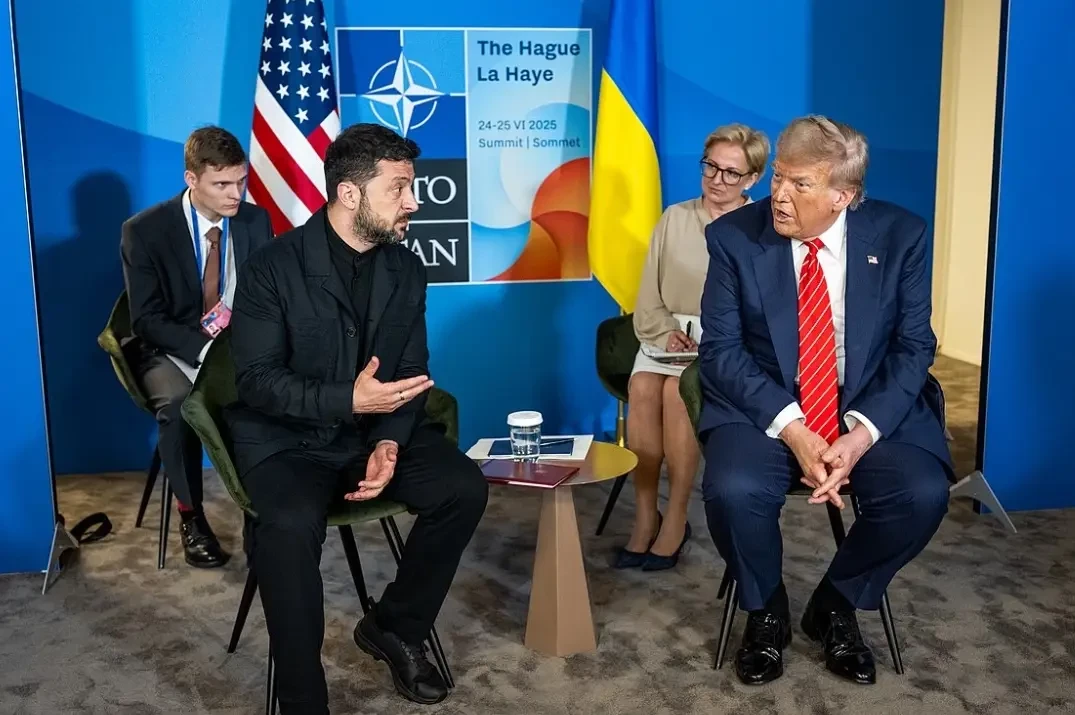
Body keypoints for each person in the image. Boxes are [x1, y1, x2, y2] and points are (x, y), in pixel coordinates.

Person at [226, 123, 488, 712]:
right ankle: (302, 698)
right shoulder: (271, 267)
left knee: (462, 488)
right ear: (350, 194)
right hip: (288, 440)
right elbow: (257, 382)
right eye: (398, 188)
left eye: (411, 187)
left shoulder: (407, 269)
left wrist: (389, 442)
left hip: (372, 432)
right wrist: (349, 400)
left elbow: (411, 372)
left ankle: (393, 626)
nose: (413, 202)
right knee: (287, 527)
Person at [697, 115, 951, 686]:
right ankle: (767, 609)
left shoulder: (901, 236)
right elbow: (721, 351)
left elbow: (914, 346)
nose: (779, 195)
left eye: (800, 184)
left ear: (843, 195)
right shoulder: (734, 237)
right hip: (765, 403)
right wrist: (793, 428)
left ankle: (835, 603)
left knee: (921, 494)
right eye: (778, 177)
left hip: (866, 404)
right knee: (733, 490)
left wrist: (859, 435)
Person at [616, 124, 769, 571]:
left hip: (726, 343)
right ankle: (645, 514)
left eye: (731, 173)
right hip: (665, 334)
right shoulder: (674, 217)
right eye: (711, 167)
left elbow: (765, 308)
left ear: (753, 178)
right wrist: (664, 332)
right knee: (643, 387)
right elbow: (649, 293)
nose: (717, 180)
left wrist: (717, 341)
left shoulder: (763, 228)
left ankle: (676, 517)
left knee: (676, 393)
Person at [121, 126, 273, 568]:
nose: (235, 194)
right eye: (221, 184)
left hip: (235, 345)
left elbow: (266, 295)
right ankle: (192, 517)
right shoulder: (145, 230)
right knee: (180, 406)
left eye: (240, 181)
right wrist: (204, 351)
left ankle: (260, 516)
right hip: (168, 347)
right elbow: (146, 319)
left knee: (272, 395)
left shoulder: (255, 220)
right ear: (192, 179)